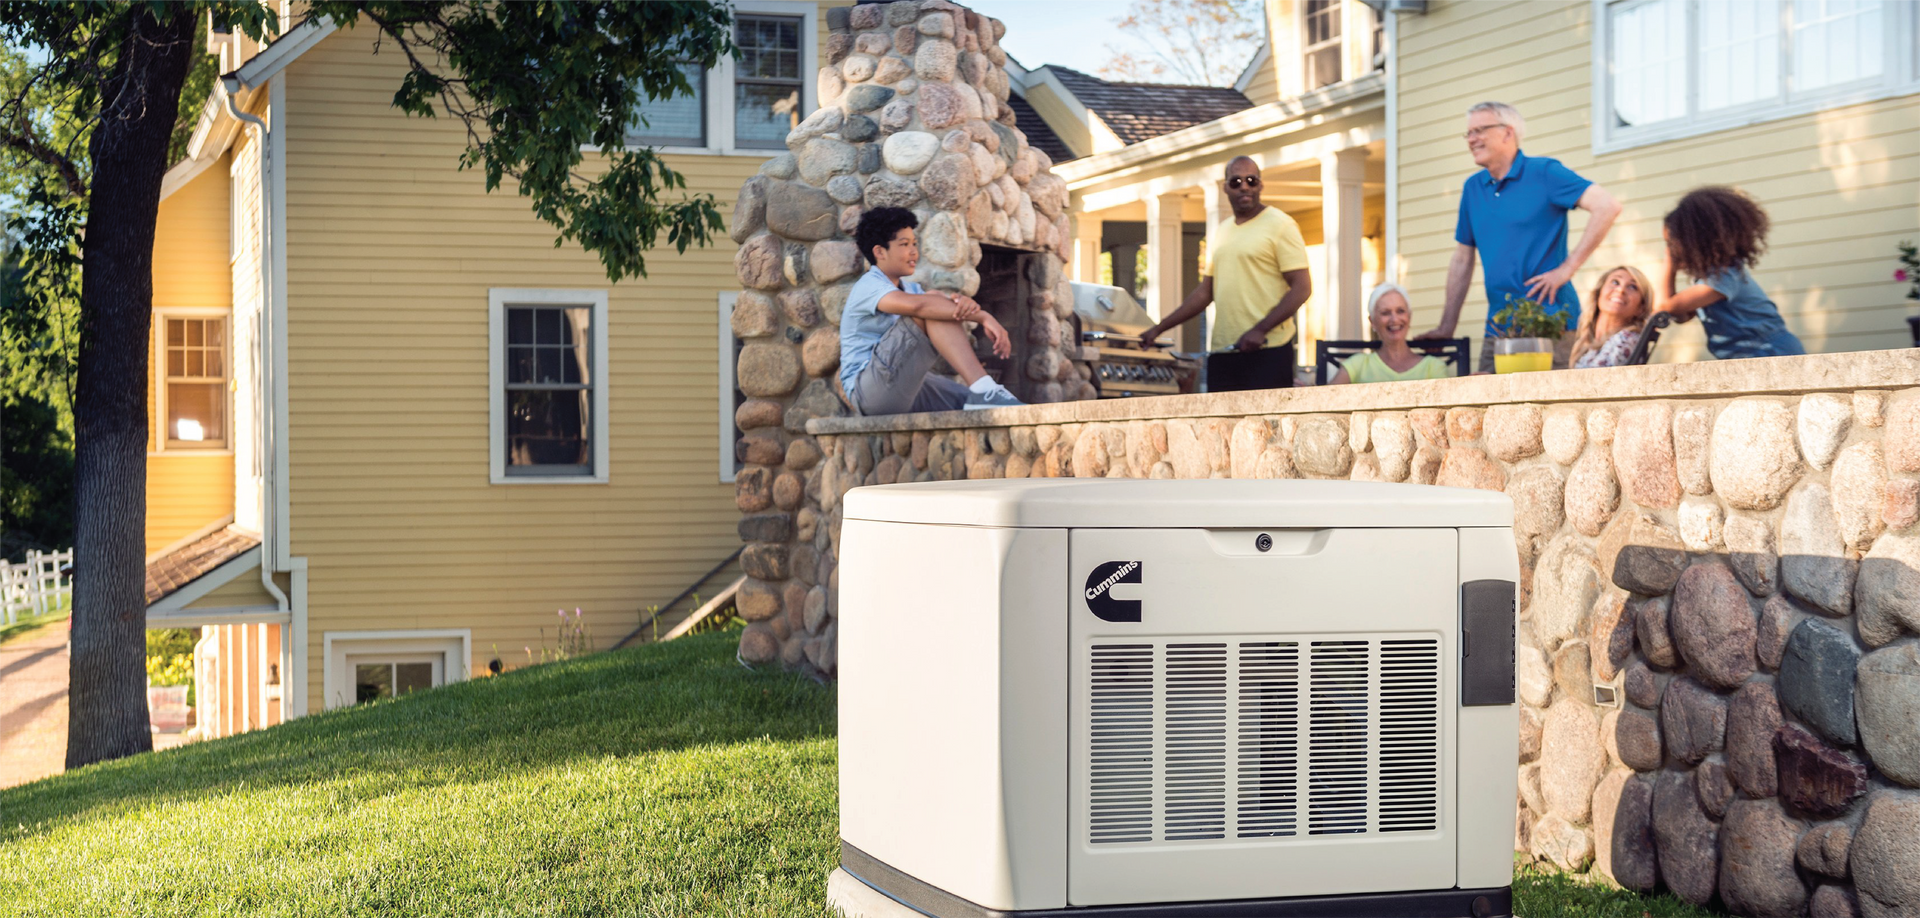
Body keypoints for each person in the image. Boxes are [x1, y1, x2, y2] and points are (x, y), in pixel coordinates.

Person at [1419, 101, 1622, 373]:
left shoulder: (1545, 172)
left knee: (1554, 411)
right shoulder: (1473, 189)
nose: (1472, 139)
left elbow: (1607, 206)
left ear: (1507, 132)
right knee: (1488, 410)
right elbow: (1462, 260)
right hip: (1499, 327)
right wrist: (1447, 326)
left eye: (1479, 130)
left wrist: (1566, 269)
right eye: (1468, 133)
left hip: (1551, 325)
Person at [1136, 156, 1311, 391]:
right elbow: (1204, 293)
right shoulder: (1222, 231)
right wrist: (1159, 329)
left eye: (1251, 180)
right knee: (1221, 427)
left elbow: (1302, 288)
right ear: (1225, 187)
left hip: (1268, 349)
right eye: (1236, 182)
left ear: (1260, 185)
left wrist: (1261, 329)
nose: (1244, 187)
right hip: (1224, 350)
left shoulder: (1281, 225)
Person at [838, 207, 1024, 414]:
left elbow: (934, 306)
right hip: (868, 392)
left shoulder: (911, 289)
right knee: (931, 302)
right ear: (879, 252)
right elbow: (921, 306)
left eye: (914, 244)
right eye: (904, 244)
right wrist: (983, 316)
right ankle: (985, 388)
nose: (913, 252)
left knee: (969, 404)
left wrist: (959, 303)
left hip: (903, 385)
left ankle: (985, 392)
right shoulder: (869, 284)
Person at [1655, 186, 1804, 359]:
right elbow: (1679, 315)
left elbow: (1662, 307)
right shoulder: (1710, 278)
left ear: (1695, 241)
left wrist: (1669, 262)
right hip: (1749, 357)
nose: (1670, 249)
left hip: (1769, 353)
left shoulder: (1723, 278)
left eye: (1671, 243)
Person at [1328, 284, 1455, 384]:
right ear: (1372, 321)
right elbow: (1326, 399)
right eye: (1385, 313)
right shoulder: (1357, 365)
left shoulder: (1433, 367)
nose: (1394, 319)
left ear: (1409, 317)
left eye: (1400, 311)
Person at [1569, 266, 1653, 368]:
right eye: (1615, 282)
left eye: (1632, 287)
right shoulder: (1587, 342)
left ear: (1641, 308)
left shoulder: (1627, 338)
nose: (1621, 290)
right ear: (1599, 292)